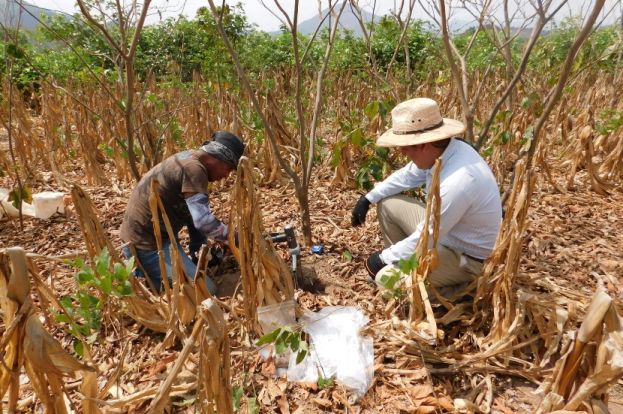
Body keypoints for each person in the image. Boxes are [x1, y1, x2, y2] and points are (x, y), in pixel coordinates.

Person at [351, 98, 502, 296]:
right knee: (388, 205)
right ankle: (407, 266)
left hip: (466, 258)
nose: (403, 152)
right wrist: (368, 198)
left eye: (406, 146)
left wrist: (382, 259)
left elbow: (427, 236)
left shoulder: (460, 181)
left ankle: (461, 292)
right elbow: (407, 175)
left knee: (387, 280)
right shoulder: (445, 152)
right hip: (447, 234)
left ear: (423, 144)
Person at [120, 131, 245, 295]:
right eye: (228, 168)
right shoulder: (194, 170)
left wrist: (198, 250)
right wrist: (232, 238)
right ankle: (153, 281)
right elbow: (202, 221)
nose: (226, 176)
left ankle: (166, 280)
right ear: (218, 157)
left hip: (160, 240)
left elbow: (192, 217)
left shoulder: (189, 159)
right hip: (146, 246)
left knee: (202, 279)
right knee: (206, 292)